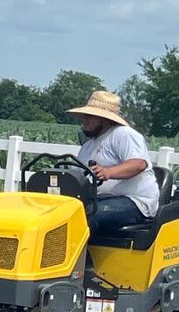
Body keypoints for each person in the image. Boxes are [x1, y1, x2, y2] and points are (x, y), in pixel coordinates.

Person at [67, 89, 160, 234]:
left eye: (90, 116)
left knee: (85, 219)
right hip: (101, 200)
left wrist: (108, 172)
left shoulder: (123, 134)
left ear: (104, 119)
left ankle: (81, 256)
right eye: (85, 116)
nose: (84, 120)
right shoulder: (87, 146)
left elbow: (138, 164)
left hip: (133, 201)